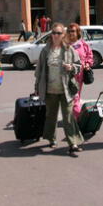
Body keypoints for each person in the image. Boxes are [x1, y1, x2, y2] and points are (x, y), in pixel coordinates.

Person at [34, 22, 84, 156]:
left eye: (58, 33)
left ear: (63, 35)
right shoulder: (45, 50)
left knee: (68, 117)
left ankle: (73, 143)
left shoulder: (69, 49)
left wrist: (72, 67)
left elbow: (79, 65)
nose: (55, 35)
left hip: (66, 89)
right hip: (50, 90)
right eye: (53, 33)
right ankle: (51, 138)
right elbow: (39, 71)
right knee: (51, 116)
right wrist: (37, 87)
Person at [66, 23, 94, 120]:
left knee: (76, 97)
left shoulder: (82, 44)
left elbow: (89, 56)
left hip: (80, 75)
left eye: (73, 31)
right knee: (75, 97)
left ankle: (74, 116)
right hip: (68, 76)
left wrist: (87, 64)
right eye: (69, 31)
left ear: (77, 32)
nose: (70, 33)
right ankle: (79, 118)